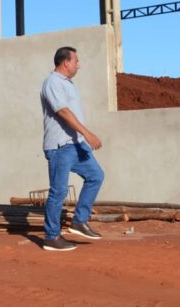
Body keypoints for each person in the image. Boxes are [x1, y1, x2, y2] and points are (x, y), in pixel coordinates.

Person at [39, 46, 105, 252]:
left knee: (96, 176)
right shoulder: (52, 83)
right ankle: (51, 237)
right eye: (76, 61)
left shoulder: (68, 84)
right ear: (65, 62)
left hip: (75, 144)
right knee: (58, 192)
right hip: (60, 146)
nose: (79, 64)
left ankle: (79, 221)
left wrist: (81, 137)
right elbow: (63, 112)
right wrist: (87, 133)